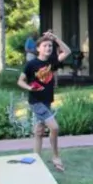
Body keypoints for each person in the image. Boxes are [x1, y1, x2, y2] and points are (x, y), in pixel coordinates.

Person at [18, 30, 72, 172]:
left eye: (50, 46)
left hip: (47, 101)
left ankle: (36, 158)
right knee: (54, 127)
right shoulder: (31, 64)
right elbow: (20, 81)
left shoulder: (52, 62)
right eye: (45, 46)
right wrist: (30, 87)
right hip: (36, 102)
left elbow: (67, 51)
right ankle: (55, 156)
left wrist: (55, 38)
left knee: (39, 130)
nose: (48, 48)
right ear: (38, 49)